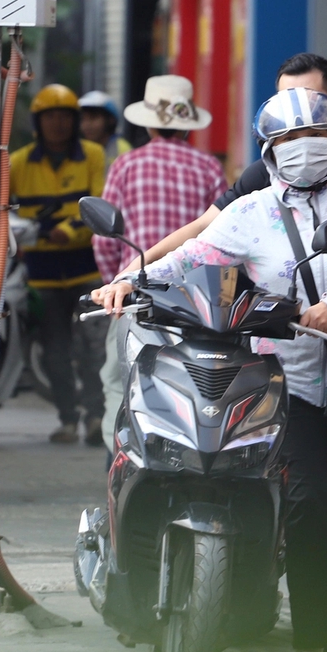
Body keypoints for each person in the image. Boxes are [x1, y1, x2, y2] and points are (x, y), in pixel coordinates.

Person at [92, 88, 327, 652]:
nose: (301, 149)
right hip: (281, 385)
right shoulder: (253, 210)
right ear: (268, 151)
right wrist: (128, 282)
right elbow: (194, 257)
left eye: (311, 135)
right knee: (308, 510)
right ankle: (308, 648)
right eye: (287, 141)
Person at [91, 75, 226, 448]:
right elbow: (225, 237)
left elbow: (103, 241)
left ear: (149, 122)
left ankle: (120, 458)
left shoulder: (125, 165)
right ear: (187, 126)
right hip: (196, 306)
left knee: (120, 384)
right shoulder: (210, 169)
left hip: (132, 300)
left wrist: (113, 284)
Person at [8, 84, 107, 445]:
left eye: (65, 116)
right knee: (54, 352)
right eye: (51, 116)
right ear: (38, 121)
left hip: (87, 269)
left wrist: (68, 230)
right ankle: (68, 419)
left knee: (95, 350)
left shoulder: (93, 155)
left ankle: (96, 418)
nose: (59, 123)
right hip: (42, 273)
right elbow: (3, 211)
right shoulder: (17, 162)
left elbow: (100, 205)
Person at [77, 90, 132, 166]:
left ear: (110, 120)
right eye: (82, 119)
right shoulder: (78, 149)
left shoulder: (121, 150)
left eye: (93, 118)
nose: (87, 124)